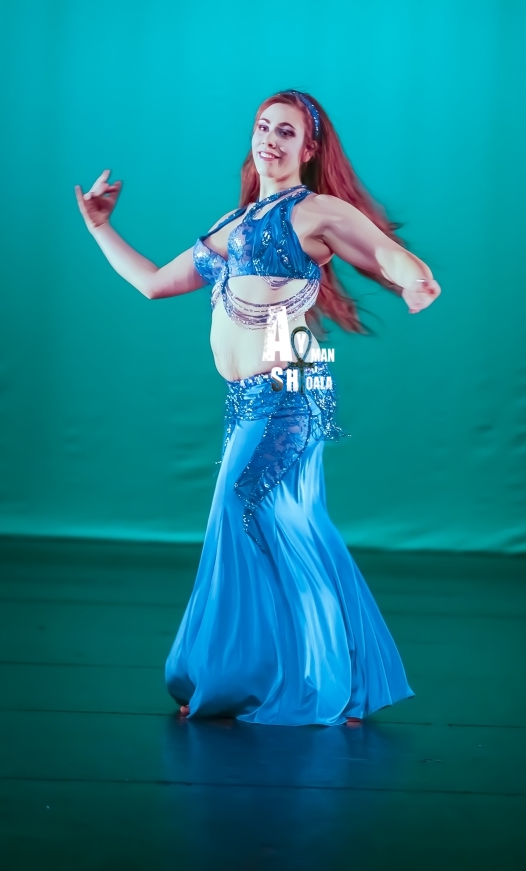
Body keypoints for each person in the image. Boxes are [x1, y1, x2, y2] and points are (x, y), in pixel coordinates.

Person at [75, 90, 441, 726]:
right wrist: (100, 227)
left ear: (309, 148)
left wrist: (414, 278)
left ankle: (297, 679)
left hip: (288, 396)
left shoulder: (316, 211)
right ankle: (330, 676)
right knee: (288, 526)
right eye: (263, 127)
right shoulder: (233, 223)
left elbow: (381, 250)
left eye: (286, 131)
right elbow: (155, 284)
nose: (270, 139)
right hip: (247, 401)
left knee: (243, 512)